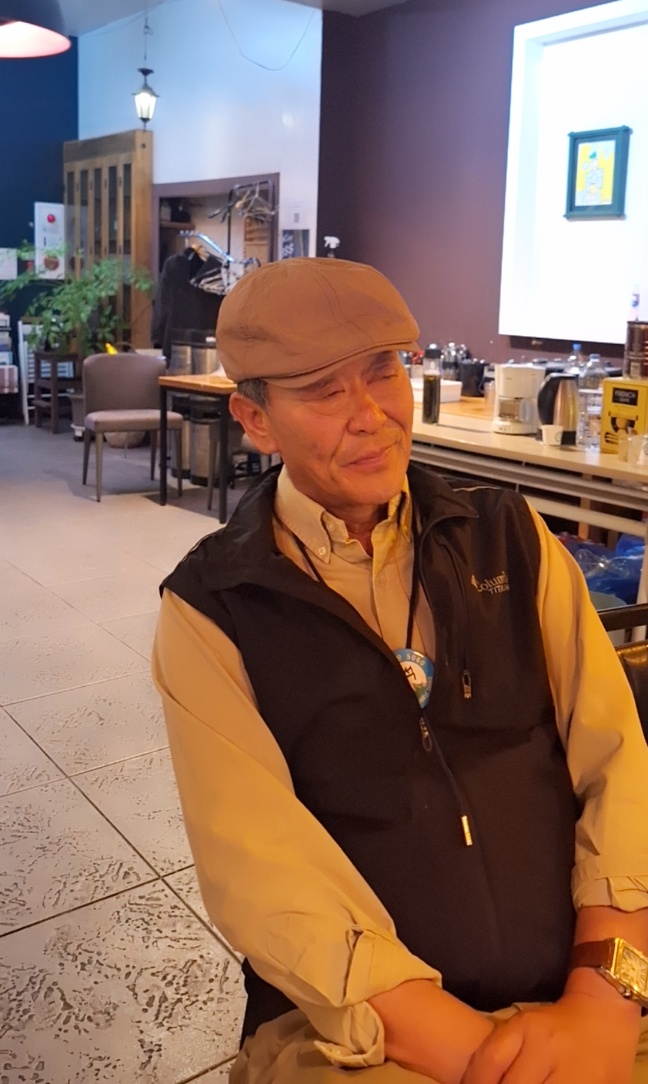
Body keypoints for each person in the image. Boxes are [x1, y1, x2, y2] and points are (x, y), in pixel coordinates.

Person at [153, 257, 648, 1084]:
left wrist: (606, 996)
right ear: (255, 418)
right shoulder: (216, 607)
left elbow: (619, 763)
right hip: (364, 1032)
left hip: (586, 991)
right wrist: (485, 1057)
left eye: (382, 371)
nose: (372, 417)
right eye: (323, 391)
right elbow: (262, 877)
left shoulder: (511, 539)